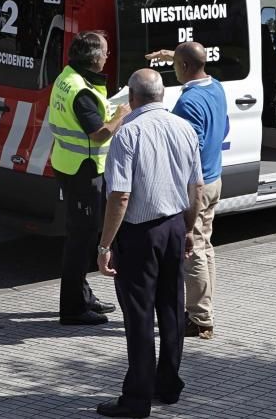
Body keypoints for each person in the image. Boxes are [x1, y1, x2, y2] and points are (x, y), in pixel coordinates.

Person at [96, 69, 204, 418]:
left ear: (132, 98)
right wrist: (188, 229)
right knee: (172, 309)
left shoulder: (128, 135)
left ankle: (137, 400)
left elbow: (121, 195)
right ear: (161, 95)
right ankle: (168, 385)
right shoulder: (184, 128)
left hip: (139, 234)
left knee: (140, 318)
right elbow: (196, 187)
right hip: (174, 226)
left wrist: (104, 245)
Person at [146, 42, 228, 340]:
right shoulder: (216, 87)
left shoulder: (188, 103)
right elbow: (224, 130)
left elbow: (188, 150)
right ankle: (202, 310)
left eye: (176, 65)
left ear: (183, 68)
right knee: (204, 248)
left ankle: (200, 319)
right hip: (214, 178)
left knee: (191, 250)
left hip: (197, 186)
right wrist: (173, 55)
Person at [50, 30, 130, 326]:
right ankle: (72, 309)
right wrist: (122, 113)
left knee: (82, 235)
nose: (108, 57)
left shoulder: (67, 77)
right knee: (80, 241)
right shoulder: (81, 92)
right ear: (94, 58)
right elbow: (98, 135)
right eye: (106, 53)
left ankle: (83, 295)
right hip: (82, 170)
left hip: (67, 164)